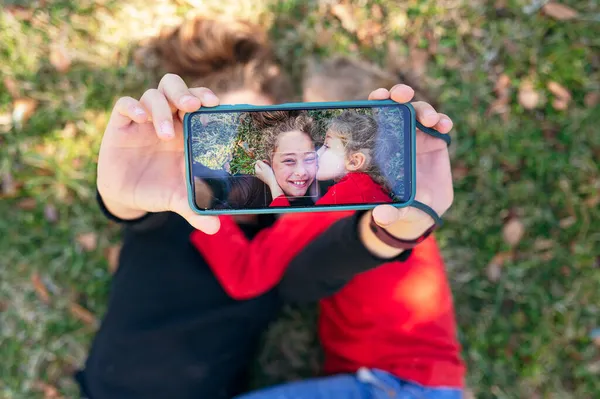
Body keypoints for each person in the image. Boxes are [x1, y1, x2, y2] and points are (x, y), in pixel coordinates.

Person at [78, 16, 461, 399]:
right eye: (225, 137)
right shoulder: (167, 202)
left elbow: (305, 272)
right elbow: (128, 207)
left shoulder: (312, 212)